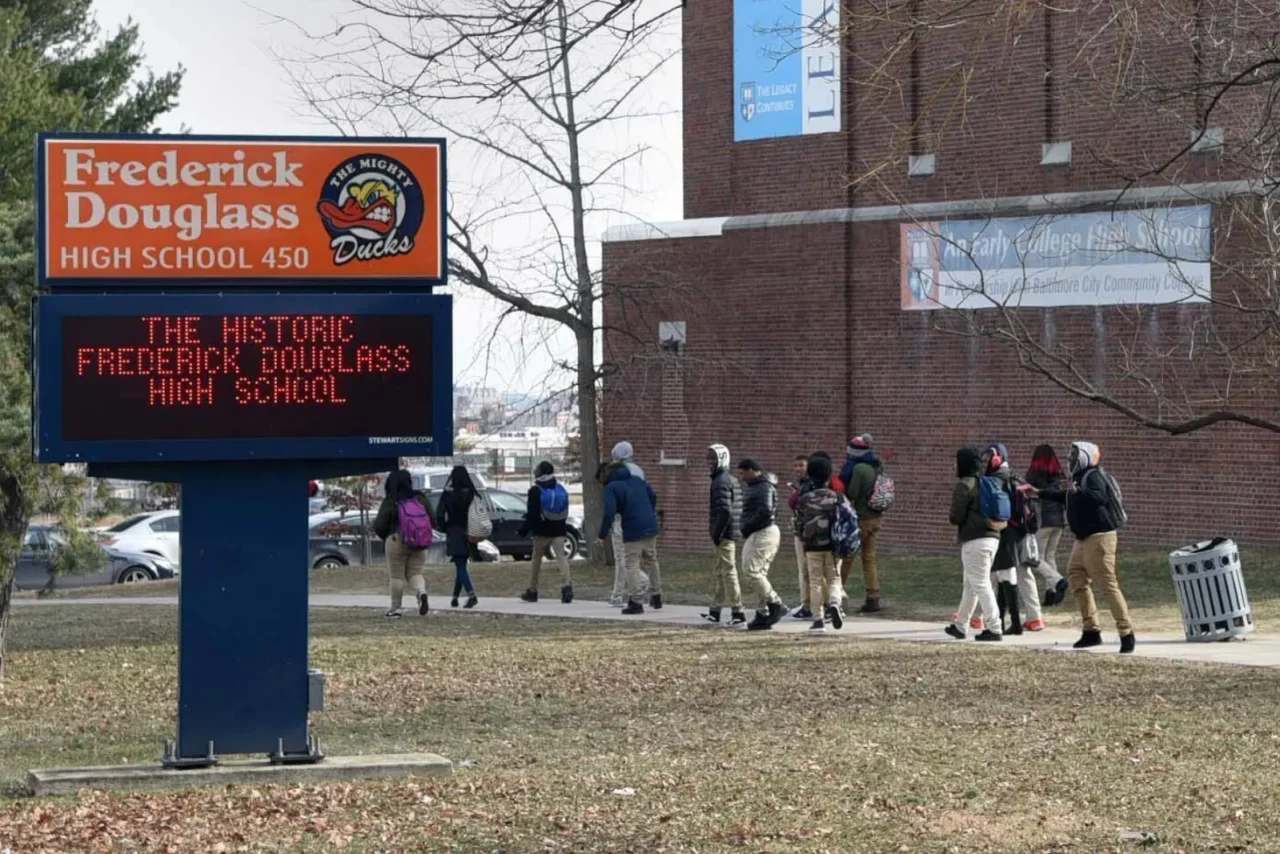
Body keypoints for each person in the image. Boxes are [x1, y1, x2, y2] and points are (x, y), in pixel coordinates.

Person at [1066, 441, 1135, 653]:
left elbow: (1099, 497)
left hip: (1100, 538)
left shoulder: (1093, 476)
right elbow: (1068, 496)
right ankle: (1091, 631)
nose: (1070, 459)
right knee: (1076, 575)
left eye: (1074, 455)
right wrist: (1040, 493)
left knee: (1107, 584)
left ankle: (1126, 633)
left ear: (1085, 456)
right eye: (1070, 455)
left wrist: (1077, 491)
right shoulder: (1078, 478)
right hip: (1083, 539)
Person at [945, 447, 1003, 641]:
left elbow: (955, 516)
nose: (954, 465)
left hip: (974, 540)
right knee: (971, 585)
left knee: (980, 584)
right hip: (992, 537)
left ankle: (995, 627)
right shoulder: (987, 482)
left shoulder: (965, 485)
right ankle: (960, 626)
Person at [597, 461, 662, 615]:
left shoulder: (612, 488)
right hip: (650, 524)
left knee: (631, 564)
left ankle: (636, 601)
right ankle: (657, 595)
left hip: (632, 528)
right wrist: (648, 511)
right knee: (651, 560)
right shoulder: (638, 480)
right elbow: (653, 496)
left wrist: (602, 535)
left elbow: (609, 513)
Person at [982, 442, 1031, 635]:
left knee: (1007, 576)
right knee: (1005, 576)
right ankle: (1004, 622)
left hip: (1003, 532)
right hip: (1017, 531)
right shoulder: (1015, 476)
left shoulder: (995, 478)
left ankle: (1014, 623)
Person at [373, 469, 433, 619]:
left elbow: (380, 525)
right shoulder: (421, 498)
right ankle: (421, 592)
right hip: (419, 541)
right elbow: (433, 520)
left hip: (396, 540)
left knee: (396, 576)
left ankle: (396, 609)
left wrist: (387, 536)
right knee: (416, 573)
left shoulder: (391, 500)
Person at [737, 458, 788, 630]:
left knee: (751, 571)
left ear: (752, 470)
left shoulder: (764, 487)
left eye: (743, 472)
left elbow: (766, 511)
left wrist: (747, 526)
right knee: (759, 572)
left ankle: (776, 604)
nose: (742, 476)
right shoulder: (759, 486)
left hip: (762, 531)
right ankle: (762, 613)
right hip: (761, 531)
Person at [797, 454, 846, 633]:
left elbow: (798, 523)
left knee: (815, 581)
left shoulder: (805, 499)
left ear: (810, 475)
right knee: (834, 578)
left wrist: (803, 538)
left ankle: (818, 620)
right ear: (828, 476)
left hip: (812, 546)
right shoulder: (837, 497)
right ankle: (834, 602)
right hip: (833, 545)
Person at [518, 461, 574, 605]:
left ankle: (532, 590)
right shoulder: (560, 488)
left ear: (541, 472)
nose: (535, 470)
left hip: (541, 531)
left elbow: (532, 514)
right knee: (561, 558)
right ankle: (567, 587)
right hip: (559, 530)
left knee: (536, 560)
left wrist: (523, 531)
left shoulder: (535, 490)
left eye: (537, 469)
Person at [841, 434, 885, 613]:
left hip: (861, 518)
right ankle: (873, 597)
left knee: (846, 558)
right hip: (876, 517)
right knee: (869, 559)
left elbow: (852, 493)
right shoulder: (877, 466)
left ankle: (835, 593)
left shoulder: (858, 468)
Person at [605, 442, 651, 607]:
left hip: (621, 520)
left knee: (622, 559)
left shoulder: (617, 472)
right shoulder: (639, 471)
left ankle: (622, 593)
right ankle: (639, 585)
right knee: (630, 558)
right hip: (636, 519)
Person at [704, 443, 745, 625]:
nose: (710, 462)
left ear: (722, 459)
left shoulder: (721, 481)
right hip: (728, 532)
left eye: (713, 458)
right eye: (708, 458)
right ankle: (715, 610)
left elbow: (725, 511)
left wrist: (716, 532)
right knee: (721, 571)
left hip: (725, 534)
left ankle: (738, 612)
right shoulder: (729, 479)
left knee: (728, 572)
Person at [1026, 444, 1070, 609]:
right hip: (1058, 520)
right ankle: (1051, 593)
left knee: (1036, 558)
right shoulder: (1060, 474)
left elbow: (1027, 494)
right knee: (1049, 556)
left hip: (1041, 520)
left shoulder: (1034, 474)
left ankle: (1058, 581)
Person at [436, 465, 480, 609]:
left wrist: (444, 527)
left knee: (460, 565)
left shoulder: (447, 494)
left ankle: (471, 595)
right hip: (470, 530)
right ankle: (455, 597)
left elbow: (440, 514)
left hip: (454, 530)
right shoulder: (472, 493)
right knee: (461, 564)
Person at [787, 455, 814, 619]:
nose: (798, 469)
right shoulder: (810, 484)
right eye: (795, 465)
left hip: (805, 532)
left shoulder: (808, 486)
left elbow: (798, 503)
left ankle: (807, 604)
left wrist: (795, 496)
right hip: (811, 531)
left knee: (805, 569)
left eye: (801, 465)